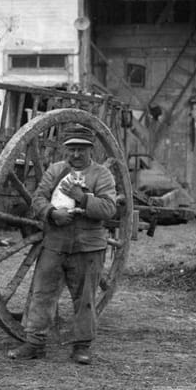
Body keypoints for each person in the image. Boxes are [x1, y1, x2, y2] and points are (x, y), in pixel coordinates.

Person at [8, 124, 117, 365]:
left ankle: (82, 346)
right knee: (43, 292)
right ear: (65, 150)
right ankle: (35, 343)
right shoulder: (56, 170)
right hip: (55, 241)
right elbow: (38, 198)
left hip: (88, 245)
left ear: (91, 150)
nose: (76, 155)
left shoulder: (101, 175)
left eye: (81, 150)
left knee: (84, 297)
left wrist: (82, 198)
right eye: (71, 150)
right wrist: (51, 213)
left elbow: (109, 209)